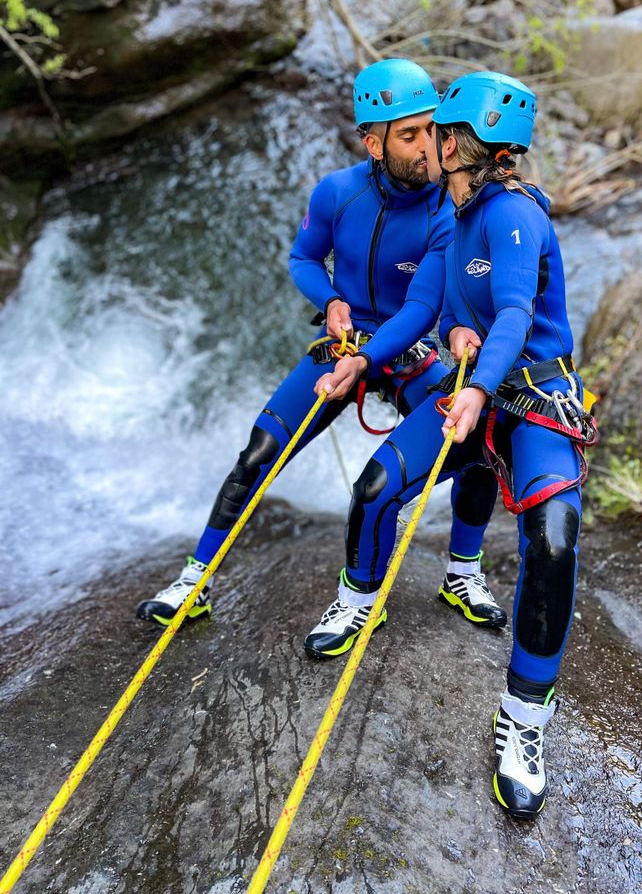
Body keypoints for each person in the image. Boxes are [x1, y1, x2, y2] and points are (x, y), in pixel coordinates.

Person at [136, 59, 503, 653]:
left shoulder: (446, 208)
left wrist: (370, 358)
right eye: (408, 135)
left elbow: (421, 306)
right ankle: (194, 579)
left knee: (478, 442)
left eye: (431, 130)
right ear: (372, 142)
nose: (427, 148)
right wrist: (331, 300)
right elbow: (302, 258)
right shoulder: (337, 192)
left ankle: (462, 572)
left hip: (407, 352)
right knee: (259, 450)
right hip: (343, 345)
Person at [313, 70, 597, 818]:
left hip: (530, 398)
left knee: (555, 538)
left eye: (434, 133)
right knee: (376, 488)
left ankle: (524, 722)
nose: (424, 144)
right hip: (476, 387)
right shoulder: (453, 211)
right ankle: (356, 602)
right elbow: (421, 308)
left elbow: (511, 312)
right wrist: (363, 359)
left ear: (456, 142)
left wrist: (476, 387)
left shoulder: (511, 217)